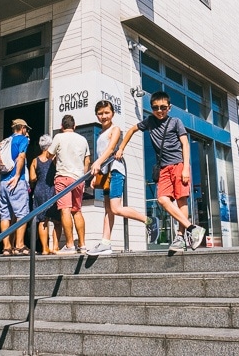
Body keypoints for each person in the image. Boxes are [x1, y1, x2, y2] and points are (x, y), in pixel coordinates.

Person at [116, 91, 206, 252]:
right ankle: (192, 229)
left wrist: (185, 167)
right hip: (163, 167)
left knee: (181, 201)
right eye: (155, 107)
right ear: (151, 108)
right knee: (162, 199)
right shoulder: (150, 121)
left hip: (178, 165)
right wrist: (121, 148)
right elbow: (131, 130)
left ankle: (180, 236)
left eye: (163, 107)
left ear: (169, 107)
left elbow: (185, 144)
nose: (159, 110)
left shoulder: (175, 122)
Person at [87, 100, 160, 256]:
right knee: (108, 210)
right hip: (105, 173)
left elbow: (111, 149)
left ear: (112, 113)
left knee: (115, 208)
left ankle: (149, 221)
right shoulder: (100, 134)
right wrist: (97, 175)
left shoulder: (115, 129)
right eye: (100, 113)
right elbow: (102, 155)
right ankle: (105, 242)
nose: (103, 116)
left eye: (106, 112)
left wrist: (98, 162)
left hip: (116, 172)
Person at [48, 114, 90, 255]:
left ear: (62, 126)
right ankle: (82, 245)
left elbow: (48, 155)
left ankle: (70, 245)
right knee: (77, 210)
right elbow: (87, 160)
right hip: (78, 178)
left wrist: (56, 160)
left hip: (63, 177)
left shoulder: (59, 137)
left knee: (65, 209)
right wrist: (82, 176)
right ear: (74, 126)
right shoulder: (83, 139)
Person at [0, 118, 32, 256]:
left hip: (3, 182)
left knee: (5, 215)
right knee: (22, 214)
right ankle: (19, 246)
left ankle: (6, 248)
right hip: (16, 182)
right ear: (22, 128)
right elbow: (22, 157)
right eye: (26, 129)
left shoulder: (5, 141)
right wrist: (17, 175)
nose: (27, 132)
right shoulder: (22, 140)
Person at [29, 134, 62, 255]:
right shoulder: (53, 159)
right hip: (52, 189)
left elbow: (32, 178)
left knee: (42, 220)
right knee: (57, 220)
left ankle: (44, 248)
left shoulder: (35, 160)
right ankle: (56, 247)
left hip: (39, 190)